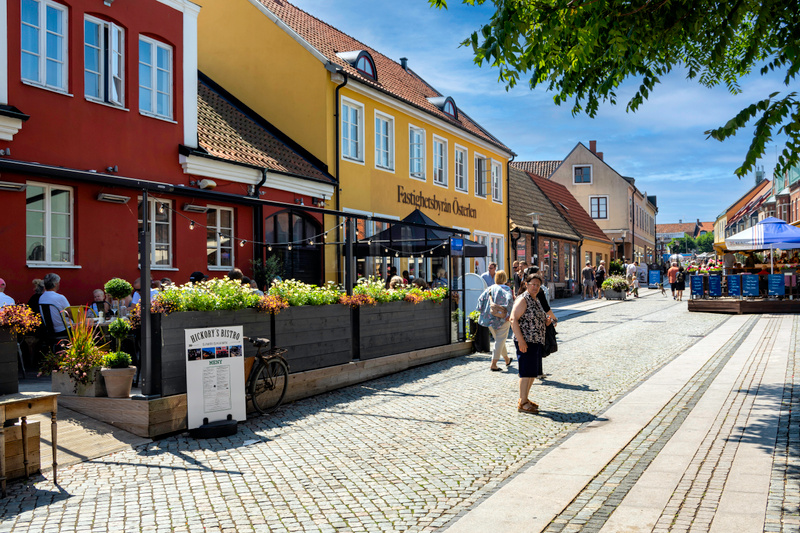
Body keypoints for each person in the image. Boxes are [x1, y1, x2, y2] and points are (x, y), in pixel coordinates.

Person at [510, 271, 553, 414]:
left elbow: (536, 317)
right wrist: (521, 341)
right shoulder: (523, 299)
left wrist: (546, 321)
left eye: (538, 285)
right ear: (526, 285)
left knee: (532, 373)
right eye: (533, 284)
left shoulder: (536, 299)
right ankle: (522, 402)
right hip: (526, 341)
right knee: (525, 372)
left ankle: (525, 399)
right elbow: (513, 319)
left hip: (536, 341)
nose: (535, 287)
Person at [476, 270, 514, 371]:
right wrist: (509, 314)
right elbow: (510, 300)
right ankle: (493, 364)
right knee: (500, 340)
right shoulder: (506, 288)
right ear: (505, 278)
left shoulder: (490, 288)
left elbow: (480, 300)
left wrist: (481, 310)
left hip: (490, 318)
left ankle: (507, 359)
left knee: (499, 340)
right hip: (502, 318)